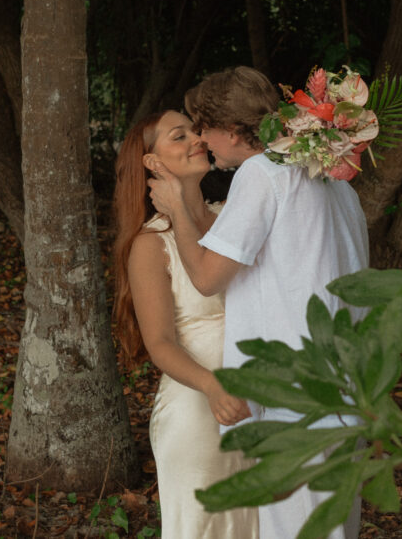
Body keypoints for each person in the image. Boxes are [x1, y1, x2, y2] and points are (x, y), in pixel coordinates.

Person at [148, 66, 370, 539]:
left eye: (203, 128)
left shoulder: (261, 174)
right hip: (349, 386)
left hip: (294, 393)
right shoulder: (337, 184)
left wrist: (173, 209)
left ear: (231, 130)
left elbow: (208, 277)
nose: (202, 140)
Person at [112, 110, 258, 539]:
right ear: (153, 164)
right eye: (180, 136)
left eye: (195, 131)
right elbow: (159, 343)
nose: (197, 138)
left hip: (261, 396)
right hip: (200, 408)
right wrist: (214, 386)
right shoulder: (150, 243)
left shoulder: (233, 215)